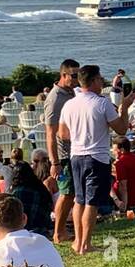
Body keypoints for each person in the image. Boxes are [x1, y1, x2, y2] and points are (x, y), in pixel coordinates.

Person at [58, 64, 121, 254]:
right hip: (97, 156)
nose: (102, 81)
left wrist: (80, 135)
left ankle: (78, 241)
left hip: (76, 155)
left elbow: (62, 133)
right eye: (100, 78)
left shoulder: (69, 104)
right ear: (93, 81)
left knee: (79, 199)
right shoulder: (102, 103)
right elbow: (122, 129)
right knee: (91, 202)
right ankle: (85, 244)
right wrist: (124, 108)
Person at [44, 59, 80, 245]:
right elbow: (50, 133)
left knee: (72, 193)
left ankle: (65, 229)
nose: (77, 79)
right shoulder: (55, 98)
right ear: (63, 75)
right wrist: (54, 162)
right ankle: (58, 232)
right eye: (74, 75)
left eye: (78, 75)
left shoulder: (71, 93)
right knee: (66, 193)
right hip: (63, 155)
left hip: (75, 150)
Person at [112, 135, 135, 212]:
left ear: (121, 150)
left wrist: (125, 206)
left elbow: (123, 186)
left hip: (123, 201)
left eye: (114, 150)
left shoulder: (120, 163)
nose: (113, 152)